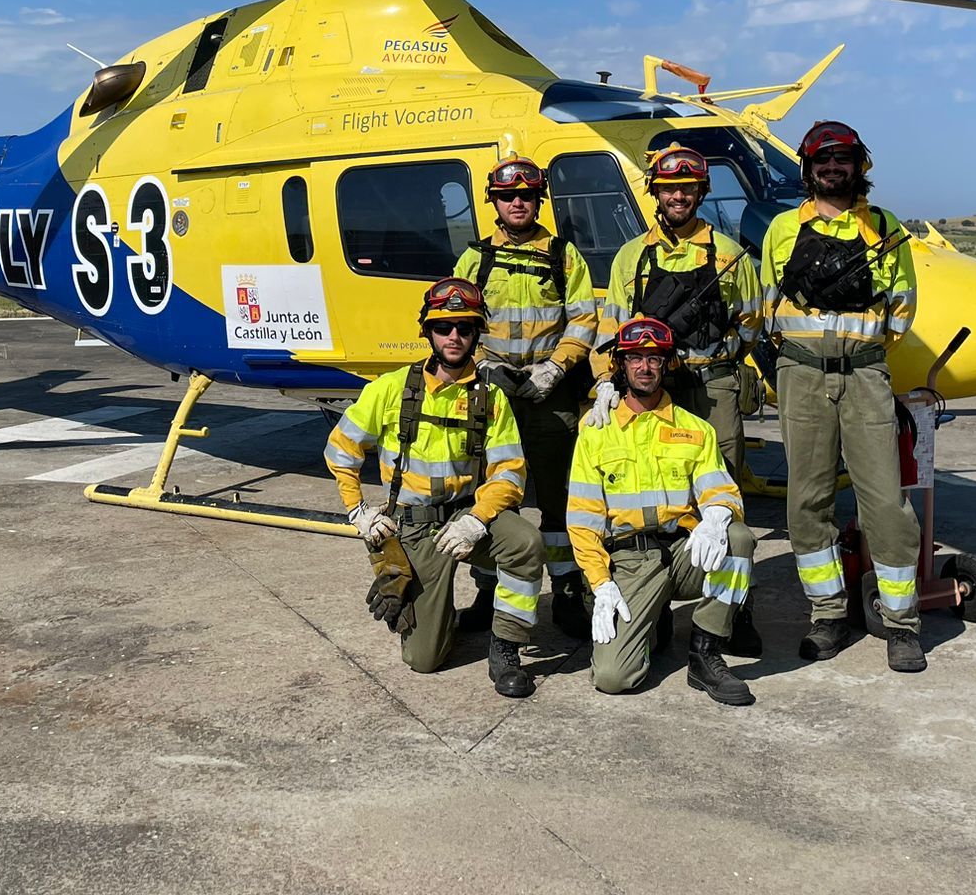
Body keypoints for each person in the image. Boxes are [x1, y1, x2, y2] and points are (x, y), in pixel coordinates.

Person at [324, 276, 545, 698]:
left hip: (465, 519)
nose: (455, 336)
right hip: (414, 527)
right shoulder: (390, 390)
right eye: (444, 327)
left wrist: (477, 521)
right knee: (424, 660)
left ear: (477, 333)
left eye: (465, 327)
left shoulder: (490, 397)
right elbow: (340, 449)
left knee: (525, 542)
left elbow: (510, 474)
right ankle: (430, 614)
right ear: (427, 331)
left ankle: (506, 646)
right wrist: (358, 511)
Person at [760, 119, 925, 672]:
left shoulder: (885, 228)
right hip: (802, 375)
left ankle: (901, 624)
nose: (833, 169)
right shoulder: (782, 228)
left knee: (885, 501)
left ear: (860, 168)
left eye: (843, 161)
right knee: (806, 502)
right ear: (808, 169)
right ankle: (827, 613)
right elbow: (767, 304)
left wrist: (860, 351)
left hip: (864, 376)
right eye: (822, 161)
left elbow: (901, 308)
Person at [588, 143, 763, 656]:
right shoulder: (632, 256)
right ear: (656, 194)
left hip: (711, 384)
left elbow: (750, 323)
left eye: (687, 188)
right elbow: (611, 325)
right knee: (652, 488)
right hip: (647, 384)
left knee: (722, 493)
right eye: (668, 189)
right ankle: (655, 602)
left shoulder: (728, 255)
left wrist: (712, 356)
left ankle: (734, 611)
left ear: (700, 193)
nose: (678, 196)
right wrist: (605, 381)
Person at [566, 316, 758, 704]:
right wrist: (601, 583)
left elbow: (722, 490)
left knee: (737, 538)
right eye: (635, 358)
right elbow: (582, 520)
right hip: (631, 560)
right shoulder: (596, 430)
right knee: (613, 677)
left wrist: (717, 515)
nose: (644, 367)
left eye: (654, 359)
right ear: (620, 365)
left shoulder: (695, 429)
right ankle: (653, 622)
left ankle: (705, 654)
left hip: (684, 553)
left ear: (668, 364)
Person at [450, 157, 598, 641]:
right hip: (492, 394)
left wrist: (557, 367)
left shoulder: (561, 253)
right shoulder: (474, 258)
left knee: (558, 498)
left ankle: (568, 592)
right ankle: (490, 591)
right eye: (508, 195)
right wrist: (483, 365)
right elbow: (456, 320)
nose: (518, 202)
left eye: (528, 195)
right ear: (493, 200)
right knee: (493, 492)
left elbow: (583, 317)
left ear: (539, 201)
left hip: (548, 391)